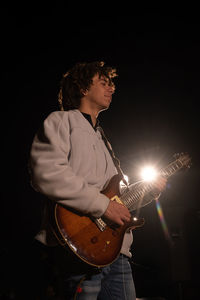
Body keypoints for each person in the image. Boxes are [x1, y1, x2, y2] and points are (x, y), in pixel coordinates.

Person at [29, 61, 167, 299]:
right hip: (80, 248)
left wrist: (148, 191)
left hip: (116, 252)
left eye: (111, 85)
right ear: (83, 88)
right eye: (103, 83)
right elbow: (46, 173)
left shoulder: (104, 140)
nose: (111, 89)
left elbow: (116, 200)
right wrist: (103, 206)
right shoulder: (61, 121)